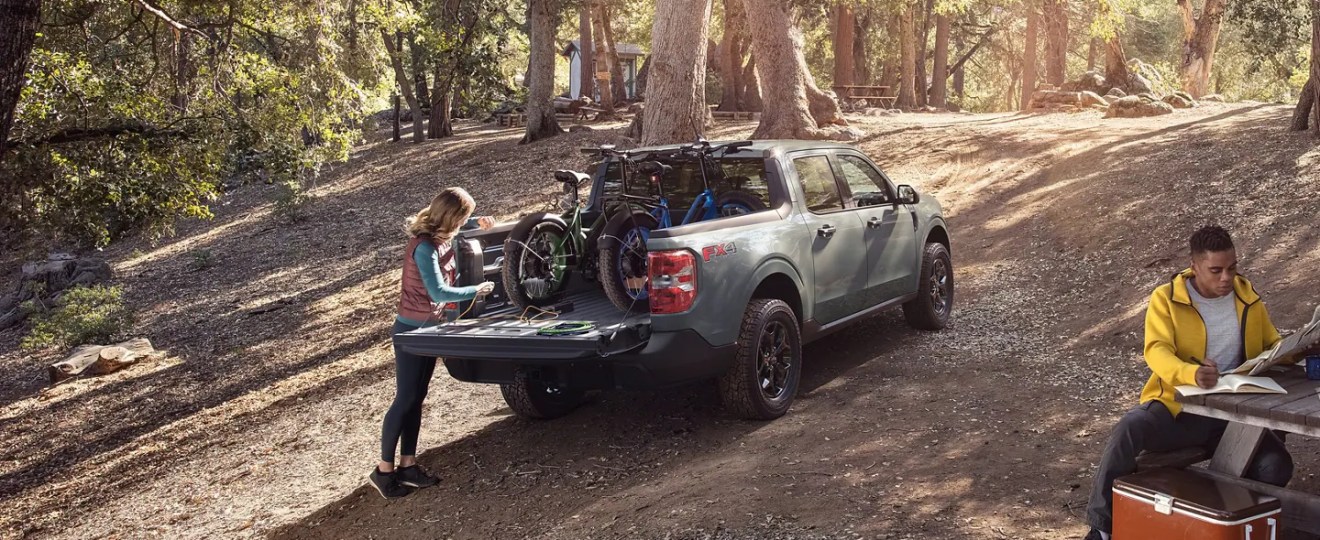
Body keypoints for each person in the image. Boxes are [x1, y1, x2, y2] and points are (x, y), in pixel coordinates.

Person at [1083, 225, 1293, 539]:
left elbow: (1271, 344)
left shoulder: (1247, 297)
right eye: (1216, 270)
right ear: (1194, 267)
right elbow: (1156, 350)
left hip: (1234, 419)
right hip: (1180, 412)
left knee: (1276, 467)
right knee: (1130, 427)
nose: (1226, 278)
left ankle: (1220, 522)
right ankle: (1101, 527)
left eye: (1232, 268)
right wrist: (1189, 373)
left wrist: (1298, 349)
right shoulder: (1166, 299)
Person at [369, 187, 496, 499]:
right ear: (451, 217)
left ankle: (408, 466)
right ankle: (383, 471)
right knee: (405, 399)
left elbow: (462, 227)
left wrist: (479, 222)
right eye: (463, 216)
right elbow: (438, 293)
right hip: (411, 332)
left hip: (429, 329)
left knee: (417, 397)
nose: (464, 222)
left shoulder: (442, 234)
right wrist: (476, 290)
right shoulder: (424, 248)